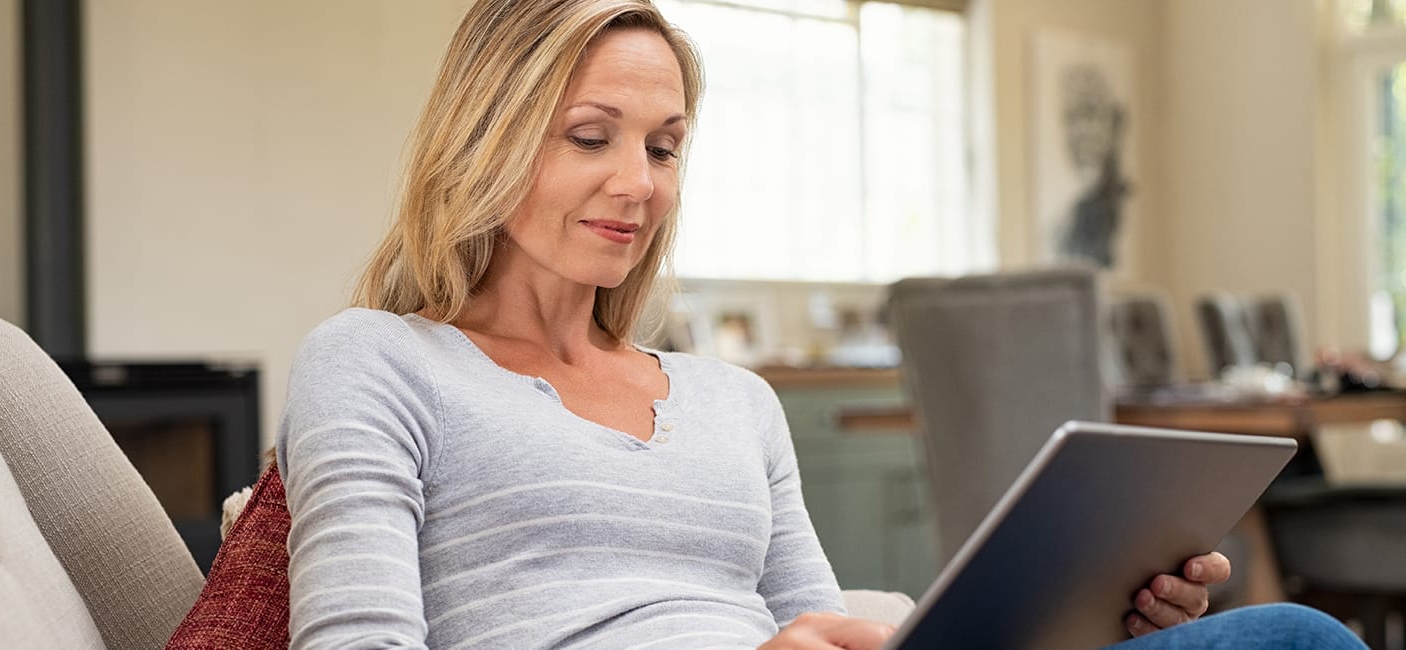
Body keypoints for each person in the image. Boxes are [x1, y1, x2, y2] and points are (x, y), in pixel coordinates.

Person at [273, 0, 1367, 647]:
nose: (639, 183)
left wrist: (1093, 606)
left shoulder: (730, 399)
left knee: (1290, 636)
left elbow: (818, 620)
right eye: (591, 135)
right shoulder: (377, 360)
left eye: (663, 146)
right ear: (487, 139)